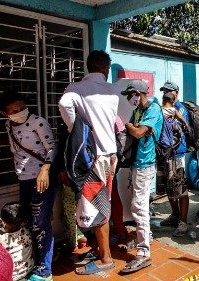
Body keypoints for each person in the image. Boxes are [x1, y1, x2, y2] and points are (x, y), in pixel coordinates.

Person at [59, 50, 119, 275]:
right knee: (102, 203)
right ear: (106, 68)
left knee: (98, 205)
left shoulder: (76, 89)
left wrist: (76, 129)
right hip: (109, 156)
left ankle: (105, 258)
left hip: (93, 158)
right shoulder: (113, 90)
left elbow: (64, 104)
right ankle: (103, 250)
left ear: (88, 67)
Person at [0, 91, 56, 281]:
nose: (20, 112)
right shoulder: (8, 125)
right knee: (29, 222)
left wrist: (45, 170)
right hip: (23, 180)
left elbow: (52, 148)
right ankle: (36, 260)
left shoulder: (38, 122)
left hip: (41, 179)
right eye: (15, 110)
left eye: (22, 108)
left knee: (41, 223)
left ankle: (45, 270)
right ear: (4, 113)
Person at [119, 80, 163, 273]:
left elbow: (137, 132)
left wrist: (127, 125)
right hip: (137, 163)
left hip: (146, 164)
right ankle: (146, 237)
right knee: (137, 204)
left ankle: (144, 252)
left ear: (138, 93)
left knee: (139, 206)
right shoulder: (139, 110)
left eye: (130, 94)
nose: (129, 98)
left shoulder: (153, 110)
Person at [158, 82, 191, 237]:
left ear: (176, 92)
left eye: (168, 91)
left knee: (181, 188)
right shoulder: (162, 108)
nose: (165, 93)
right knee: (169, 187)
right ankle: (175, 215)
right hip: (165, 154)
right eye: (163, 91)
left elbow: (178, 129)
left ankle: (183, 222)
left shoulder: (180, 109)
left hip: (177, 154)